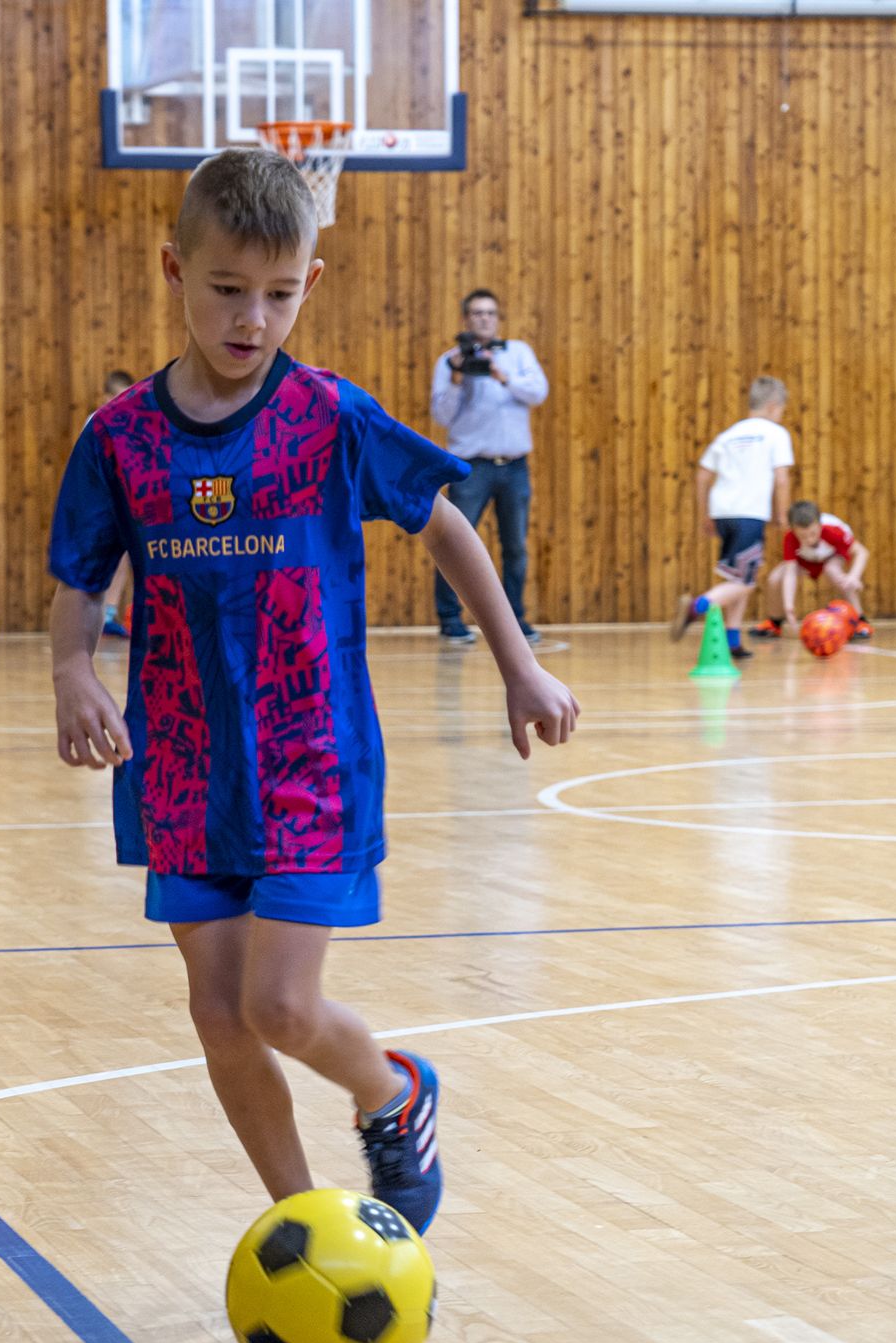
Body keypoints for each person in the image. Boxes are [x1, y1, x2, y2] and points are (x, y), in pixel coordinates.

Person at [47, 148, 580, 1234]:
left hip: (311, 756)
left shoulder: (330, 415)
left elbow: (444, 521)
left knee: (280, 1004)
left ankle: (393, 1093)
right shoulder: (119, 438)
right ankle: (304, 1224)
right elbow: (82, 575)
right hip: (184, 766)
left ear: (312, 285)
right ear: (174, 271)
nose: (253, 319)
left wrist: (517, 661)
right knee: (220, 1015)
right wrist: (71, 668)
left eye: (279, 295)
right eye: (227, 290)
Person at [428, 289, 549, 646]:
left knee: (516, 545)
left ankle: (515, 619)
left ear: (498, 319)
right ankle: (451, 620)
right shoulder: (449, 362)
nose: (484, 319)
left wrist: (501, 376)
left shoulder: (518, 354)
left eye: (490, 313)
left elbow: (538, 392)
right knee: (453, 543)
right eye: (477, 313)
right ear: (466, 319)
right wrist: (457, 379)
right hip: (470, 467)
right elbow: (441, 415)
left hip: (514, 466)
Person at [672, 376, 794, 660]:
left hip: (723, 513)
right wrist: (782, 516)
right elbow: (782, 478)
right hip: (749, 514)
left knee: (737, 575)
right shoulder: (775, 434)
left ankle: (732, 640)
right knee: (744, 582)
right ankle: (697, 607)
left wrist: (705, 514)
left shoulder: (728, 434)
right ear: (775, 406)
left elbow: (702, 476)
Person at [752, 500, 873, 641]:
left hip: (831, 556)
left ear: (820, 525)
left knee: (835, 572)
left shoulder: (833, 531)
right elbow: (790, 573)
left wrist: (853, 576)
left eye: (813, 533)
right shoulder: (790, 538)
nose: (809, 540)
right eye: (803, 536)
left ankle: (860, 621)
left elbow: (862, 552)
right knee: (775, 578)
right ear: (793, 530)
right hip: (805, 560)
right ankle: (774, 623)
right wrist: (788, 606)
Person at [97, 368, 136, 638]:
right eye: (117, 397)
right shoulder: (98, 423)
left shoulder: (132, 423)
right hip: (103, 500)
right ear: (106, 396)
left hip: (126, 499)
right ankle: (100, 613)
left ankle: (109, 612)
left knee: (128, 555)